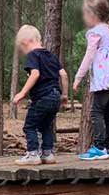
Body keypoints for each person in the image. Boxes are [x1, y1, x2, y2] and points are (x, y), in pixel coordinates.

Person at [73, 0, 109, 161]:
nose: (83, 18)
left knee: (97, 112)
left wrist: (78, 77)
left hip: (105, 79)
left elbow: (89, 56)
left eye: (84, 14)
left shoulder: (95, 33)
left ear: (92, 15)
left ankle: (98, 147)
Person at [12, 24, 68, 165]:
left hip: (42, 97)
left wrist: (22, 93)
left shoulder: (33, 55)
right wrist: (65, 95)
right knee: (46, 126)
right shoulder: (51, 56)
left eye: (23, 49)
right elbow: (63, 74)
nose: (25, 52)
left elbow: (35, 74)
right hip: (55, 96)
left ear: (26, 42)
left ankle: (32, 155)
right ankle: (47, 154)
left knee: (30, 126)